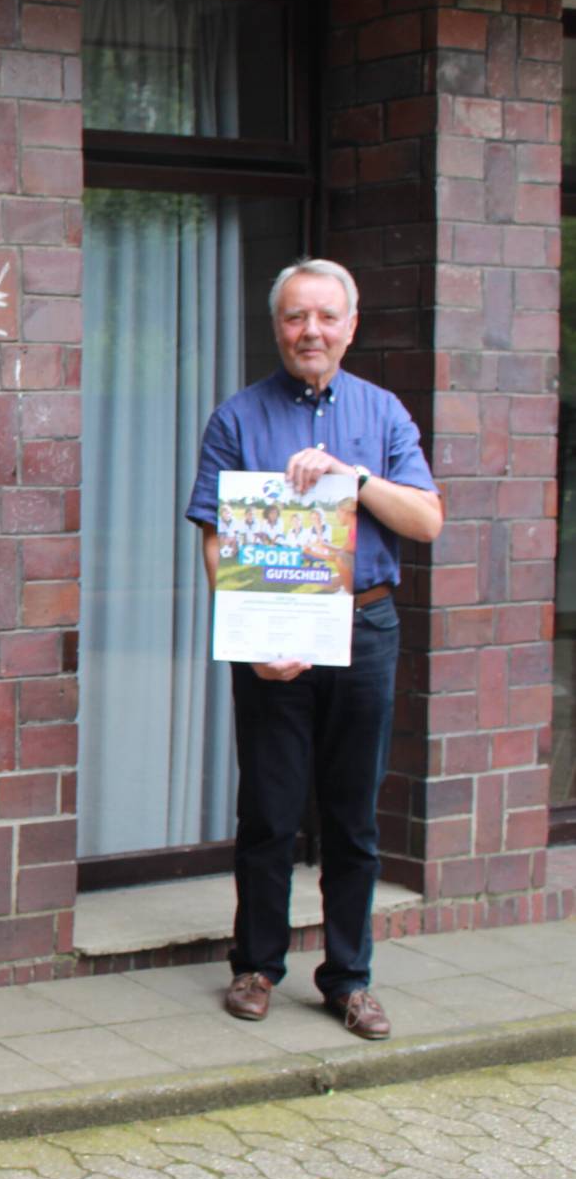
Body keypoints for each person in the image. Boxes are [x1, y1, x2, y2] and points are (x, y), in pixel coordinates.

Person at [186, 257, 442, 1042]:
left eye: (327, 316)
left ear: (350, 325)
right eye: (297, 316)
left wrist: (353, 477)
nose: (311, 331)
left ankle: (349, 978)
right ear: (278, 326)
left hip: (363, 628)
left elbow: (427, 519)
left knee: (352, 814)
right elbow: (214, 534)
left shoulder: (383, 413)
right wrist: (250, 636)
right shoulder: (238, 417)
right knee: (268, 808)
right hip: (275, 633)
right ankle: (256, 965)